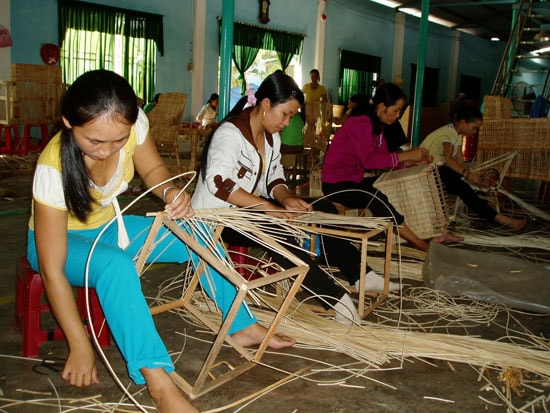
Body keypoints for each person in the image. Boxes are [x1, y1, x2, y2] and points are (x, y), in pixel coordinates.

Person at [27, 70, 295, 413]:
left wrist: (170, 192)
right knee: (115, 266)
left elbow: (152, 170)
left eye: (118, 140)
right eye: (94, 141)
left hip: (110, 227)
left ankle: (241, 325)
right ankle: (159, 383)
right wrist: (80, 344)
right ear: (68, 122)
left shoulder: (134, 124)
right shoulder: (52, 168)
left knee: (198, 232)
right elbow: (52, 270)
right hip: (61, 243)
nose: (107, 150)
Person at [192, 70, 399, 327]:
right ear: (266, 104)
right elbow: (219, 184)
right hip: (215, 217)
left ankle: (360, 274)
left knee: (319, 206)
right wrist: (268, 207)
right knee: (272, 226)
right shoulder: (230, 134)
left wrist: (286, 198)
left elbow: (274, 179)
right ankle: (333, 297)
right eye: (286, 113)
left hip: (246, 211)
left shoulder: (271, 138)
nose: (288, 122)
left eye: (292, 115)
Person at [321, 85, 463, 252]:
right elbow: (370, 161)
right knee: (376, 197)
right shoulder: (361, 122)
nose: (398, 115)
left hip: (354, 180)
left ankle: (436, 233)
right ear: (382, 106)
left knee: (402, 182)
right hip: (336, 185)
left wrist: (411, 163)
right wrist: (408, 155)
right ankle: (420, 244)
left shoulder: (378, 127)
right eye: (396, 110)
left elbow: (385, 160)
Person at [420, 100, 527, 229]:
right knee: (463, 188)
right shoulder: (449, 133)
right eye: (474, 128)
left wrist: (477, 179)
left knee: (465, 186)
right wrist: (466, 174)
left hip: (436, 170)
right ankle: (498, 218)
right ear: (463, 122)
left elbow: (460, 162)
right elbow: (447, 159)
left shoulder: (457, 134)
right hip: (426, 172)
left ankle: (493, 213)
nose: (475, 132)